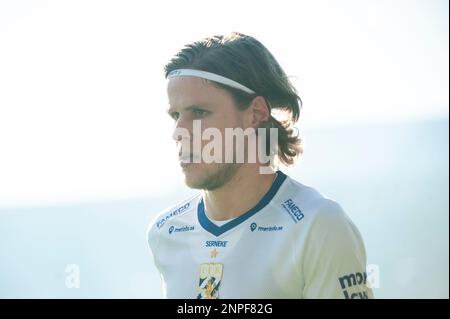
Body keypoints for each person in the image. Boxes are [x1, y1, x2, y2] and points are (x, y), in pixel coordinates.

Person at [147, 32, 374, 299]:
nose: (179, 132)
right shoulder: (165, 232)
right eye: (175, 115)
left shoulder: (318, 226)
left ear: (255, 114)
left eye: (199, 113)